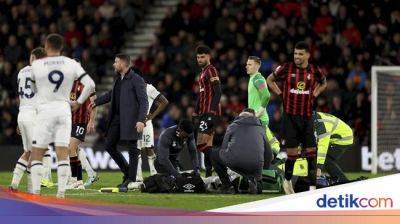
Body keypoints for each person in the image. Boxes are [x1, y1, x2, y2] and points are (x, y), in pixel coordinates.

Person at [30, 33, 96, 198]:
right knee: (63, 151)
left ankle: (37, 191)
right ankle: (62, 192)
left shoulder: (39, 64)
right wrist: (79, 102)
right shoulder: (70, 64)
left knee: (39, 150)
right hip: (64, 113)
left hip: (47, 111)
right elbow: (91, 84)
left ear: (46, 46)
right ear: (61, 47)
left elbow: (32, 87)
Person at [266, 41, 327, 194]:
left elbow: (324, 82)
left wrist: (315, 93)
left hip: (307, 117)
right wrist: (281, 94)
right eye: (295, 53)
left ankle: (313, 189)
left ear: (307, 55)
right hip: (290, 118)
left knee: (312, 154)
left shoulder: (314, 70)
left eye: (300, 54)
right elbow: (269, 80)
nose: (297, 57)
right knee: (292, 155)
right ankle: (287, 181)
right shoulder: (286, 68)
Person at [92, 53, 148, 188]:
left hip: (131, 119)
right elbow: (111, 95)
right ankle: (127, 171)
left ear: (123, 64)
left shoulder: (137, 80)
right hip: (117, 118)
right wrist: (96, 102)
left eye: (116, 62)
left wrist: (141, 120)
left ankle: (131, 179)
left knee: (132, 149)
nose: (114, 64)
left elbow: (144, 102)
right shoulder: (119, 79)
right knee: (109, 145)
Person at [9, 47, 47, 192]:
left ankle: (14, 183)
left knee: (28, 151)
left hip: (22, 113)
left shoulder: (21, 71)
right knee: (37, 152)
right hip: (33, 114)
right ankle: (33, 190)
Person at [211, 109, 272, 194]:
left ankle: (227, 185)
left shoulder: (232, 126)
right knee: (249, 164)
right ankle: (255, 180)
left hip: (236, 161)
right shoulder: (261, 129)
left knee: (213, 153)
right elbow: (269, 153)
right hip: (256, 165)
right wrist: (263, 171)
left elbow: (223, 147)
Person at [194, 45, 222, 177]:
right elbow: (201, 94)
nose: (200, 59)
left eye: (202, 57)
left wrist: (211, 111)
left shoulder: (211, 70)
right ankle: (209, 174)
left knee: (201, 144)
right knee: (206, 144)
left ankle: (221, 165)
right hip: (204, 112)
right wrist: (195, 110)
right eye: (198, 57)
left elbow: (218, 91)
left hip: (210, 112)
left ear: (208, 57)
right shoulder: (203, 73)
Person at [67, 73, 98, 189]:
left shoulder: (86, 84)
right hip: (70, 122)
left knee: (71, 148)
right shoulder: (68, 84)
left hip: (81, 122)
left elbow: (94, 104)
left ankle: (75, 180)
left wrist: (91, 121)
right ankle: (79, 181)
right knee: (74, 150)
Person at [246, 56, 280, 156]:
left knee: (271, 145)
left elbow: (266, 95)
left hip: (259, 119)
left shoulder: (257, 79)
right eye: (247, 64)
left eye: (250, 64)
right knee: (260, 144)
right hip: (256, 118)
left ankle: (276, 161)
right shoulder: (253, 78)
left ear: (257, 66)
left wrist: (258, 112)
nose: (246, 66)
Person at [136, 82, 169, 182]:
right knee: (136, 149)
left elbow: (164, 101)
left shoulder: (149, 88)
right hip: (134, 122)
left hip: (146, 123)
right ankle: (138, 177)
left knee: (149, 148)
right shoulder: (132, 88)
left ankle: (154, 174)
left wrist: (152, 116)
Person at [314, 112, 353, 183]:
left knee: (327, 161)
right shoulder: (315, 117)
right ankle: (335, 180)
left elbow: (323, 146)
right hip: (338, 135)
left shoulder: (322, 125)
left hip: (343, 138)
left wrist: (319, 167)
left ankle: (344, 183)